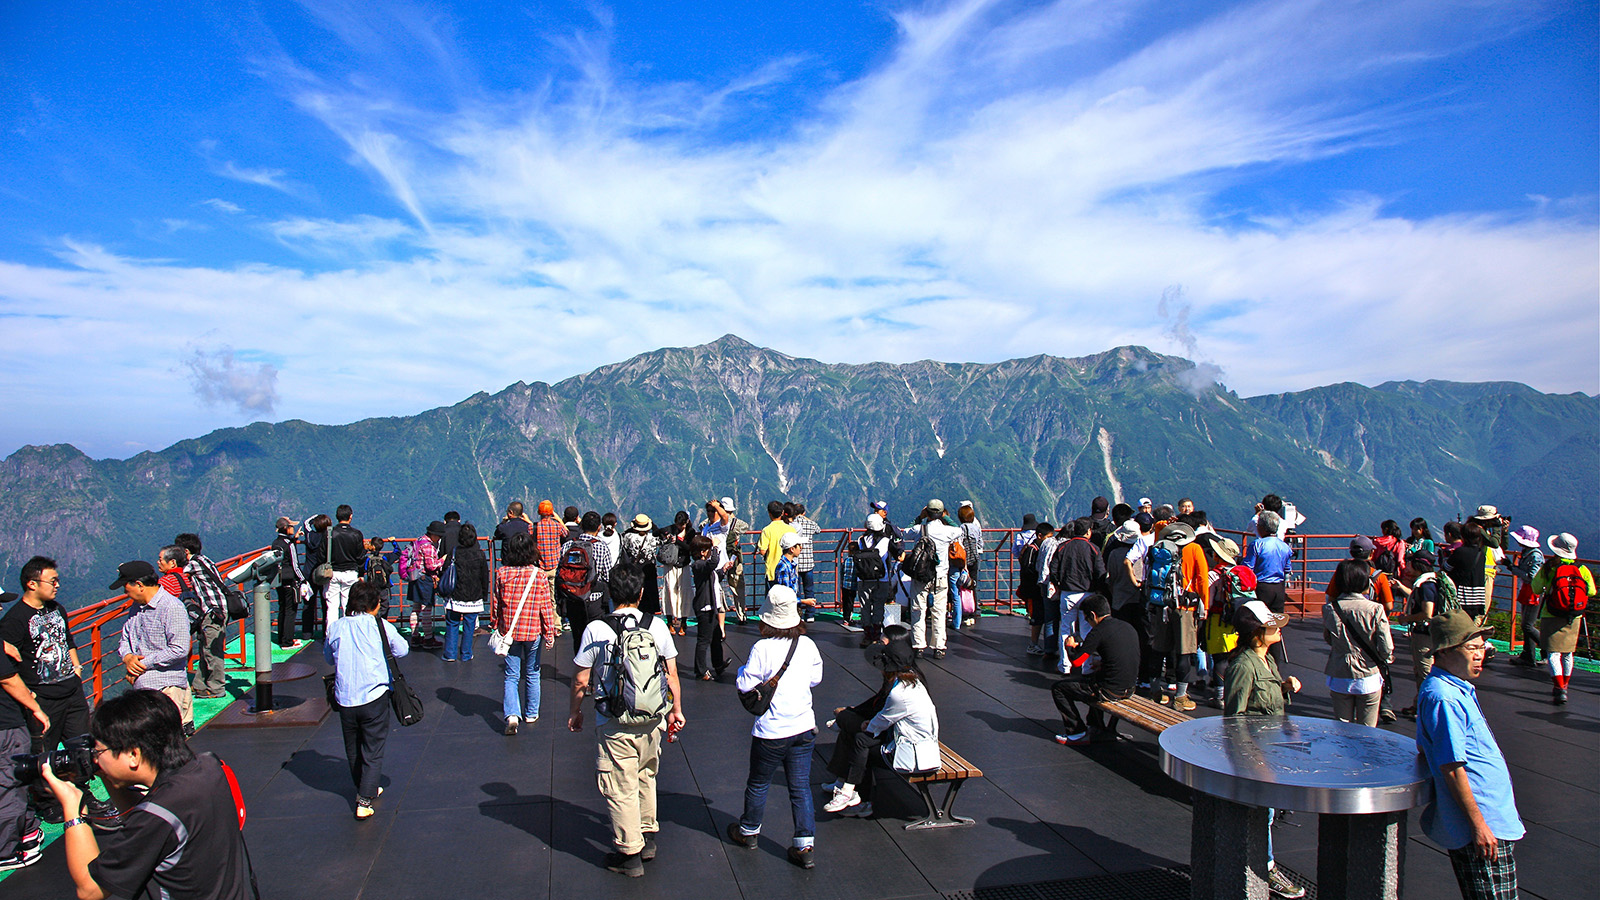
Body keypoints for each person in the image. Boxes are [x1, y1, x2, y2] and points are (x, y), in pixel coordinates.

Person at [40, 689, 254, 899]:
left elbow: (90, 889)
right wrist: (108, 773)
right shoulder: (209, 766)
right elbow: (145, 817)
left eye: (99, 752)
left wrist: (72, 808)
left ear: (133, 754)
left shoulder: (159, 815)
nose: (96, 759)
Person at [568, 564, 686, 878]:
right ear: (641, 593)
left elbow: (581, 679)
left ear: (611, 593)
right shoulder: (656, 626)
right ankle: (647, 837)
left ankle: (629, 852)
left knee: (620, 785)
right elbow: (671, 674)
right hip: (653, 718)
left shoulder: (597, 628)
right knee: (647, 775)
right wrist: (676, 711)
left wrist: (575, 711)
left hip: (614, 719)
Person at [1415, 610, 1524, 900]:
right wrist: (1478, 825)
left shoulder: (1455, 690)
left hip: (1491, 819)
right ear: (1447, 652)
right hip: (1482, 825)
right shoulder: (1445, 697)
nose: (1481, 655)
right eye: (1472, 648)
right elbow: (1451, 766)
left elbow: (1426, 748)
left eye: (1482, 647)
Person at [728, 586, 823, 868]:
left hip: (771, 730)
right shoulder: (806, 644)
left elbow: (745, 684)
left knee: (758, 783)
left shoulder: (762, 648)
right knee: (801, 787)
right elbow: (815, 678)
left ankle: (749, 831)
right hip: (803, 725)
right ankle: (805, 845)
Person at [1, 556, 95, 825]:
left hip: (71, 690)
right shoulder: (15, 619)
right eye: (52, 581)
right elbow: (6, 662)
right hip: (43, 696)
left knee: (81, 745)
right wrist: (29, 696)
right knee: (45, 751)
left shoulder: (57, 609)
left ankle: (81, 791)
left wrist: (76, 667)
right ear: (32, 584)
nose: (57, 585)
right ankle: (48, 802)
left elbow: (68, 640)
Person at [1222, 600, 1306, 900]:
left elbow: (1263, 699)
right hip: (1256, 753)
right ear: (1257, 632)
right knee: (1263, 812)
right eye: (1272, 626)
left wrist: (1283, 688)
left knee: (1267, 812)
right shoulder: (1244, 666)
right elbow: (1233, 718)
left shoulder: (1267, 661)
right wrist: (1247, 758)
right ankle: (1264, 866)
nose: (1278, 630)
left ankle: (1260, 863)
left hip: (1270, 749)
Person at [820, 621, 939, 820]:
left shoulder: (901, 692)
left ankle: (853, 793)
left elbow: (875, 725)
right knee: (853, 730)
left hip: (910, 750)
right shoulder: (907, 680)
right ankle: (848, 788)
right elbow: (878, 707)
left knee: (859, 739)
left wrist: (850, 718)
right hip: (901, 736)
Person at [325, 581, 409, 819]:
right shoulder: (380, 625)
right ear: (373, 605)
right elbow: (402, 650)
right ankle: (364, 800)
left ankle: (365, 787)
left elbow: (329, 659)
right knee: (373, 748)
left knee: (353, 748)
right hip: (374, 694)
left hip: (345, 697)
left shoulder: (337, 627)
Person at [490, 532, 559, 735]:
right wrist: (549, 633)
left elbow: (496, 604)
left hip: (509, 632)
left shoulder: (502, 573)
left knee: (511, 675)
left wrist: (497, 624)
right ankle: (531, 713)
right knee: (532, 672)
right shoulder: (538, 575)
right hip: (532, 631)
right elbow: (546, 607)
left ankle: (512, 714)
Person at [0, 592, 48, 873]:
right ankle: (28, 833)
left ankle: (9, 850)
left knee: (8, 786)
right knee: (11, 783)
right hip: (8, 725)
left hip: (6, 725)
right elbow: (7, 678)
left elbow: (7, 678)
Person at [122, 556, 196, 734]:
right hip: (144, 689)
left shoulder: (171, 607)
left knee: (166, 742)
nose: (125, 593)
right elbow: (125, 637)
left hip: (167, 689)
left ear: (140, 585)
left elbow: (179, 649)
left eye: (126, 588)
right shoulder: (137, 607)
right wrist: (128, 657)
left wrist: (141, 665)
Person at [1051, 595, 1138, 745]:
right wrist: (1102, 664)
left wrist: (1070, 647)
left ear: (1093, 615)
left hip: (1110, 691)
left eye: (1087, 619)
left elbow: (1077, 661)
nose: (1088, 623)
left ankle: (1076, 731)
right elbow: (1123, 656)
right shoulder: (1126, 626)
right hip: (1129, 688)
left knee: (1059, 688)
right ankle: (1096, 725)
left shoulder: (1099, 631)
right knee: (1095, 678)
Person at [1322, 559, 1393, 727]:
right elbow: (1386, 645)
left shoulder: (1330, 609)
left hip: (1340, 671)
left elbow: (1329, 638)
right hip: (1368, 673)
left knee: (1342, 727)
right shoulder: (1375, 609)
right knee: (1368, 731)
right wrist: (1385, 658)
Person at [1530, 532, 1593, 705]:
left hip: (1551, 614)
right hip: (1574, 616)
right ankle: (1565, 685)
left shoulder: (1549, 567)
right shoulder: (1582, 569)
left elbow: (1536, 588)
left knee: (1553, 652)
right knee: (1567, 653)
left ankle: (1559, 687)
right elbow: (1592, 591)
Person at [173, 533, 232, 701]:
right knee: (206, 648)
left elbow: (175, 572)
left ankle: (216, 688)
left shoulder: (193, 564)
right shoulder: (205, 560)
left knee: (212, 651)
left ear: (185, 551)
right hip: (219, 610)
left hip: (212, 612)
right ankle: (200, 685)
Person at [906, 501, 964, 659]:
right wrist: (946, 517)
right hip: (940, 576)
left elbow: (904, 532)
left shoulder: (920, 529)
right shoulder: (948, 531)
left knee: (918, 610)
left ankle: (918, 645)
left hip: (922, 575)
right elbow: (960, 529)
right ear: (941, 513)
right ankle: (939, 647)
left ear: (928, 513)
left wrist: (919, 517)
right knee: (939, 612)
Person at [1396, 549, 1449, 719]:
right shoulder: (1431, 581)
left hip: (1424, 634)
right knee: (1421, 670)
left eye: (1410, 563)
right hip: (1432, 633)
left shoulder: (1425, 585)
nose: (1408, 566)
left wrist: (1407, 618)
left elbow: (1427, 612)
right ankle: (1419, 704)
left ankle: (1429, 709)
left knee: (1425, 671)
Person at [1048, 518, 1106, 672]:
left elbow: (1053, 570)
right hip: (1088, 593)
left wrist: (1058, 585)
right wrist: (1098, 590)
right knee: (1087, 630)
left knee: (1065, 629)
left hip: (1067, 593)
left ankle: (1065, 665)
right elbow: (1100, 573)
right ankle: (1086, 667)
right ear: (1088, 532)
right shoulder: (1093, 549)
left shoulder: (1062, 547)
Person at [852, 516, 903, 646]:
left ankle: (867, 635)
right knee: (878, 606)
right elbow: (898, 554)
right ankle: (876, 634)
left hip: (863, 579)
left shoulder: (860, 540)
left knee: (865, 607)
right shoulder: (886, 541)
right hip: (881, 579)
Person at [442, 522, 488, 662]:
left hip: (455, 595)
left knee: (452, 623)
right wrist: (483, 594)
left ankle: (450, 654)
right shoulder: (480, 554)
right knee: (470, 626)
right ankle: (466, 654)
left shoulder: (454, 553)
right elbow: (484, 577)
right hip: (474, 596)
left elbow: (445, 570)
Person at [688, 536, 729, 681]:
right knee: (704, 640)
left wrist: (723, 571)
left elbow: (713, 576)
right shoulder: (698, 565)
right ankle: (701, 670)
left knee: (716, 637)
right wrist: (716, 547)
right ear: (702, 552)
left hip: (711, 607)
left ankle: (718, 665)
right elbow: (712, 565)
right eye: (709, 550)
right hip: (705, 608)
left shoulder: (703, 566)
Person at [321, 506, 366, 633]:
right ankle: (349, 634)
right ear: (350, 516)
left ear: (337, 516)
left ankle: (331, 635)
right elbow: (360, 556)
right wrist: (361, 572)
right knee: (349, 605)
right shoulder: (356, 534)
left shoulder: (329, 533)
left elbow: (321, 554)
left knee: (332, 607)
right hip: (351, 572)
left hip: (332, 573)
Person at [404, 521, 448, 650]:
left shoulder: (418, 541)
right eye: (439, 536)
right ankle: (428, 638)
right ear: (433, 534)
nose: (439, 539)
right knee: (426, 609)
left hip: (414, 577)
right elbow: (431, 566)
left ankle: (415, 637)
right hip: (425, 579)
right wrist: (442, 560)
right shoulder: (428, 546)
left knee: (416, 608)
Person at [1505, 525, 1544, 667]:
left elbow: (1531, 576)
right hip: (1527, 590)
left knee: (1527, 625)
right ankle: (1529, 656)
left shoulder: (1535, 555)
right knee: (1526, 625)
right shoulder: (1528, 552)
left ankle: (1547, 649)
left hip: (1533, 592)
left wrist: (1512, 568)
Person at [271, 516, 308, 649]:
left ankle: (282, 638)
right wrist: (303, 580)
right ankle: (287, 641)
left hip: (279, 580)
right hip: (290, 580)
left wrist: (295, 537)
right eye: (291, 526)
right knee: (291, 610)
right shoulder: (289, 545)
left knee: (282, 609)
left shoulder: (276, 543)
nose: (293, 528)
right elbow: (295, 565)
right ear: (286, 528)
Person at [658, 511, 693, 634]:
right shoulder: (671, 529)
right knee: (669, 592)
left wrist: (677, 541)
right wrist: (665, 535)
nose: (679, 527)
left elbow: (689, 548)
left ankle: (684, 621)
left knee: (685, 594)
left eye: (681, 525)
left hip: (683, 565)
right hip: (670, 565)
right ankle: (670, 621)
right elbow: (657, 532)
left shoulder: (690, 532)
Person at [621, 514, 662, 613]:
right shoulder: (653, 537)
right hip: (650, 571)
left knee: (635, 595)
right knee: (650, 599)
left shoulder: (628, 537)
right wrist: (654, 526)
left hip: (635, 571)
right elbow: (663, 538)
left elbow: (623, 541)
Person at [954, 501, 984, 630]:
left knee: (961, 586)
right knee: (973, 584)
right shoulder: (976, 528)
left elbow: (959, 546)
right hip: (975, 559)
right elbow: (980, 543)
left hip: (964, 561)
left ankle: (963, 613)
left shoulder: (960, 529)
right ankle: (974, 611)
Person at [756, 500, 797, 590]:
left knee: (772, 599)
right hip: (789, 569)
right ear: (782, 513)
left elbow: (762, 551)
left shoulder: (767, 530)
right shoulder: (791, 529)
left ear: (769, 513)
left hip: (772, 570)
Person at [791, 503, 821, 621]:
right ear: (804, 512)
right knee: (809, 589)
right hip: (808, 562)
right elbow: (818, 529)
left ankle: (797, 613)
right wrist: (806, 518)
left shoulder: (792, 524)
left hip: (795, 562)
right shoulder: (809, 523)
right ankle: (810, 614)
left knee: (796, 590)